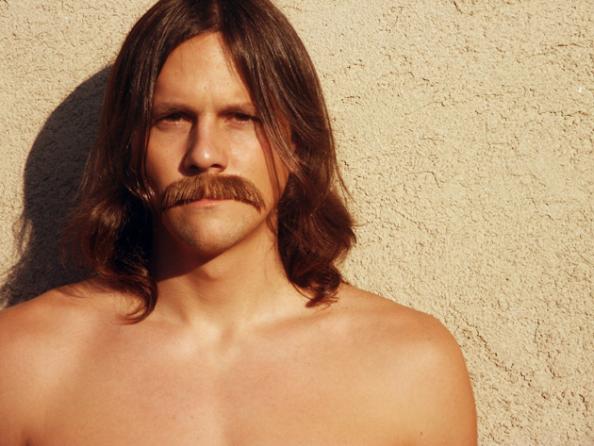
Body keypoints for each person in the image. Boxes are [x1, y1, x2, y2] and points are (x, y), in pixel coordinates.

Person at [0, 0, 477, 444]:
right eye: (173, 117)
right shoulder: (23, 361)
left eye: (242, 117)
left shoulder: (411, 367)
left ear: (298, 143)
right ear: (131, 146)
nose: (205, 154)